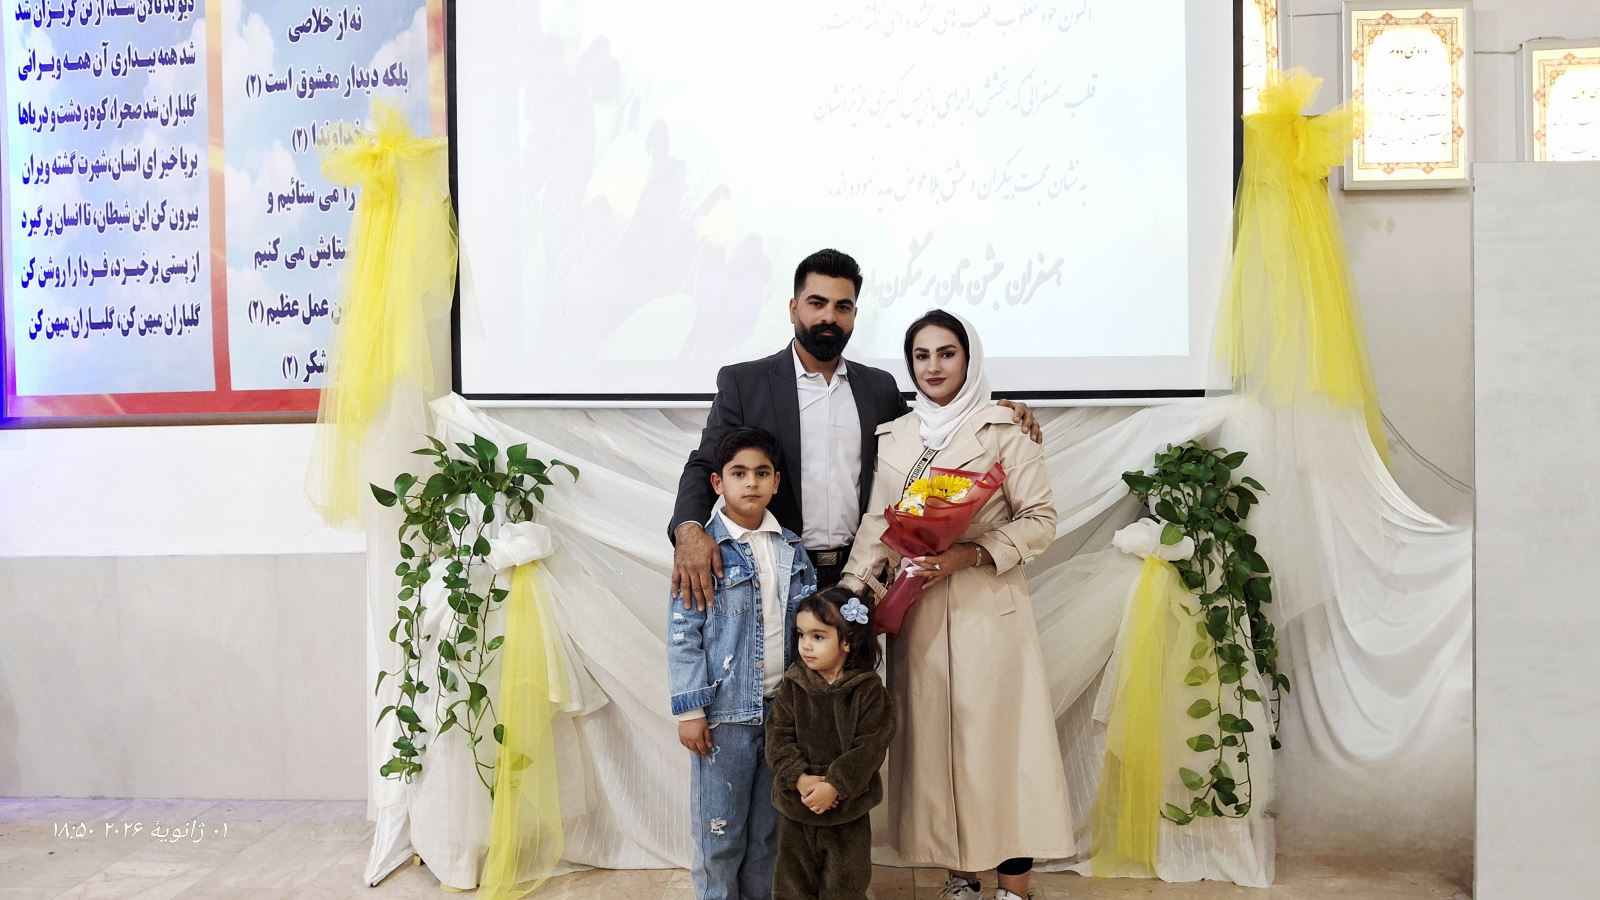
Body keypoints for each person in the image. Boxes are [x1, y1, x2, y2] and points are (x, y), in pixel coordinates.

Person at [839, 310, 1072, 900]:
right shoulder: (896, 436)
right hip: (916, 616)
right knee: (938, 750)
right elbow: (879, 526)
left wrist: (968, 554)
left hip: (989, 612)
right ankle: (960, 880)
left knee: (1000, 749)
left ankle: (1013, 887)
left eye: (947, 353)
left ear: (969, 359)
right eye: (921, 355)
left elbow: (1041, 520)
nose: (934, 366)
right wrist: (849, 595)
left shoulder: (1004, 430)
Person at [670, 249, 1041, 605]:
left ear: (854, 315)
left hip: (862, 575)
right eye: (817, 303)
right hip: (771, 571)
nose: (829, 316)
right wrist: (689, 529)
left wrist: (1001, 415)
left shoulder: (878, 388)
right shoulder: (745, 384)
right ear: (793, 308)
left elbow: (934, 438)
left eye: (842, 307)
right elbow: (705, 463)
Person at [666, 426, 818, 900]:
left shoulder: (791, 549)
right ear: (718, 483)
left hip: (782, 713)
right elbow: (683, 635)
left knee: (767, 835)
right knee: (720, 834)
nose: (751, 482)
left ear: (776, 482)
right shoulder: (702, 551)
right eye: (738, 473)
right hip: (724, 717)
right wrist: (691, 711)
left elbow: (808, 627)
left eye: (761, 473)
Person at [766, 587, 896, 900]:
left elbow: (871, 746)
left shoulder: (868, 691)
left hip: (846, 814)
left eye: (818, 636)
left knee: (845, 886)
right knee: (791, 887)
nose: (806, 645)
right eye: (801, 635)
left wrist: (835, 785)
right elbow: (778, 737)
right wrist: (799, 778)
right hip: (797, 809)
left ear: (847, 641)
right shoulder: (793, 685)